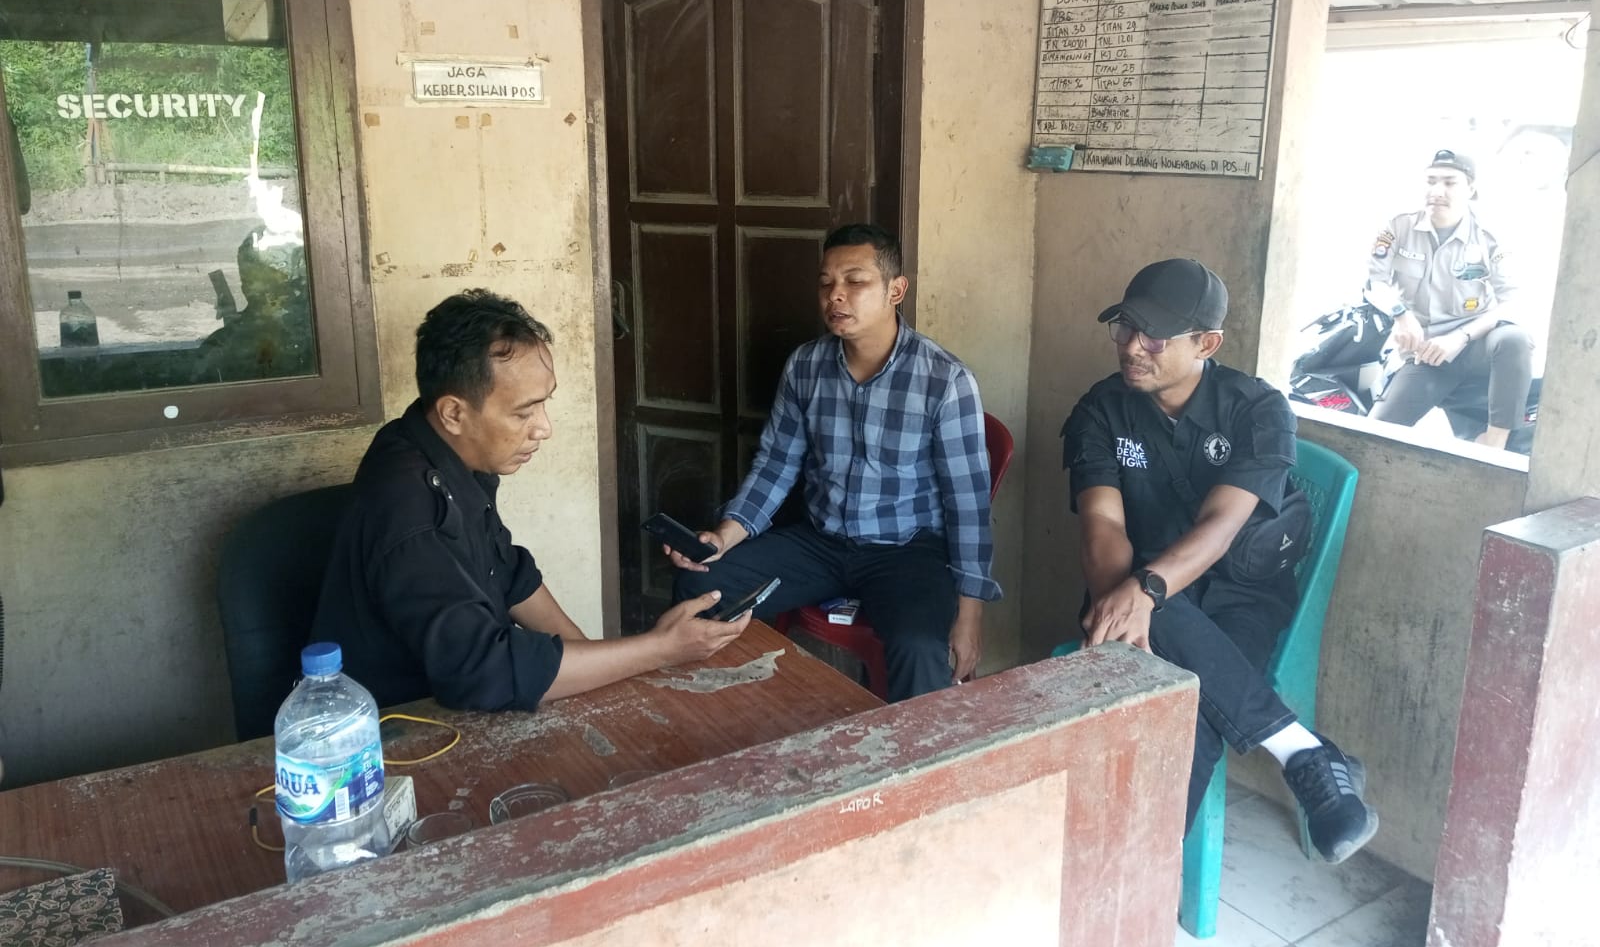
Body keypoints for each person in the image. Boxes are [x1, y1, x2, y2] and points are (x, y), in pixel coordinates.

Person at [1061, 258, 1377, 863]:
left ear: (1206, 344)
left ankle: (1134, 872)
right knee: (1156, 616)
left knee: (1192, 710)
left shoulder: (1258, 410)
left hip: (1239, 592)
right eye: (1125, 327)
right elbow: (1103, 525)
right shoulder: (1101, 410)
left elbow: (1220, 527)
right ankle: (1303, 752)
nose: (1132, 346)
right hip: (1132, 579)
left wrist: (1143, 595)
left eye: (1154, 336)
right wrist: (1121, 607)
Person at [315, 289, 746, 712]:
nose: (543, 428)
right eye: (523, 413)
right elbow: (483, 669)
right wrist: (659, 650)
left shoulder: (440, 445)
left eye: (544, 404)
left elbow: (508, 571)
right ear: (453, 413)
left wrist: (598, 659)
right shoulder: (410, 508)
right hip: (399, 723)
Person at [667, 223, 999, 702]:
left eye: (855, 281)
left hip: (906, 551)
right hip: (820, 543)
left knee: (919, 646)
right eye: (826, 283)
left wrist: (970, 615)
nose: (835, 295)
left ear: (896, 290)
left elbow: (967, 504)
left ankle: (915, 750)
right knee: (702, 587)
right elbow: (776, 465)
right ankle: (725, 718)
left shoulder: (944, 380)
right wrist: (724, 537)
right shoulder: (806, 366)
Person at [1365, 149, 1534, 450]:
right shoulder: (1399, 226)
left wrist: (1460, 337)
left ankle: (1494, 442)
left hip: (1477, 344)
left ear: (1470, 189)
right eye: (1431, 181)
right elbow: (1374, 280)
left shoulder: (1489, 236)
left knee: (1514, 339)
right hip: (1428, 354)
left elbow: (1512, 302)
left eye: (1449, 182)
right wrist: (1401, 314)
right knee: (1373, 436)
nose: (1437, 191)